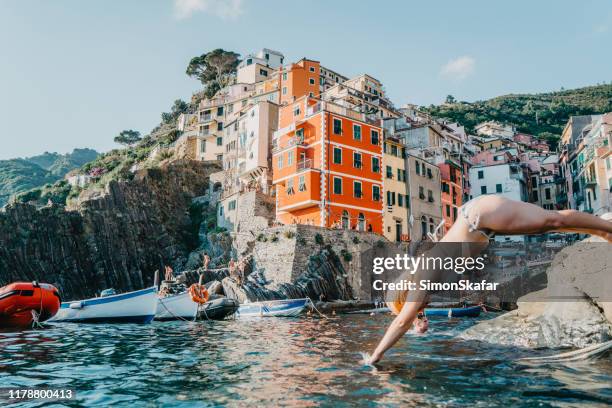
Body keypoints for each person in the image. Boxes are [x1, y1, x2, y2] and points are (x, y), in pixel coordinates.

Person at [367, 195, 612, 365]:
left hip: (480, 217)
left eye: (412, 308)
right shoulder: (424, 277)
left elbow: (400, 323)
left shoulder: (422, 277)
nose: (418, 311)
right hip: (482, 220)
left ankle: (604, 226)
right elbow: (410, 319)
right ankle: (601, 228)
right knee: (549, 225)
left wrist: (375, 355)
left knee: (552, 221)